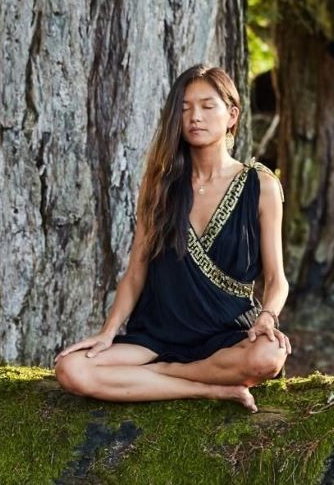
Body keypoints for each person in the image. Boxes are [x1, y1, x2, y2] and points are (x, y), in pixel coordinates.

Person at [54, 64, 291, 412]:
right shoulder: (161, 185)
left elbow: (276, 279)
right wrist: (107, 333)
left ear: (232, 114)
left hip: (228, 332)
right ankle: (209, 389)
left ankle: (165, 375)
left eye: (208, 106)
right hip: (158, 334)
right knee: (71, 369)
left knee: (269, 356)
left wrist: (267, 318)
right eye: (184, 108)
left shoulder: (261, 185)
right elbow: (135, 273)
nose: (195, 116)